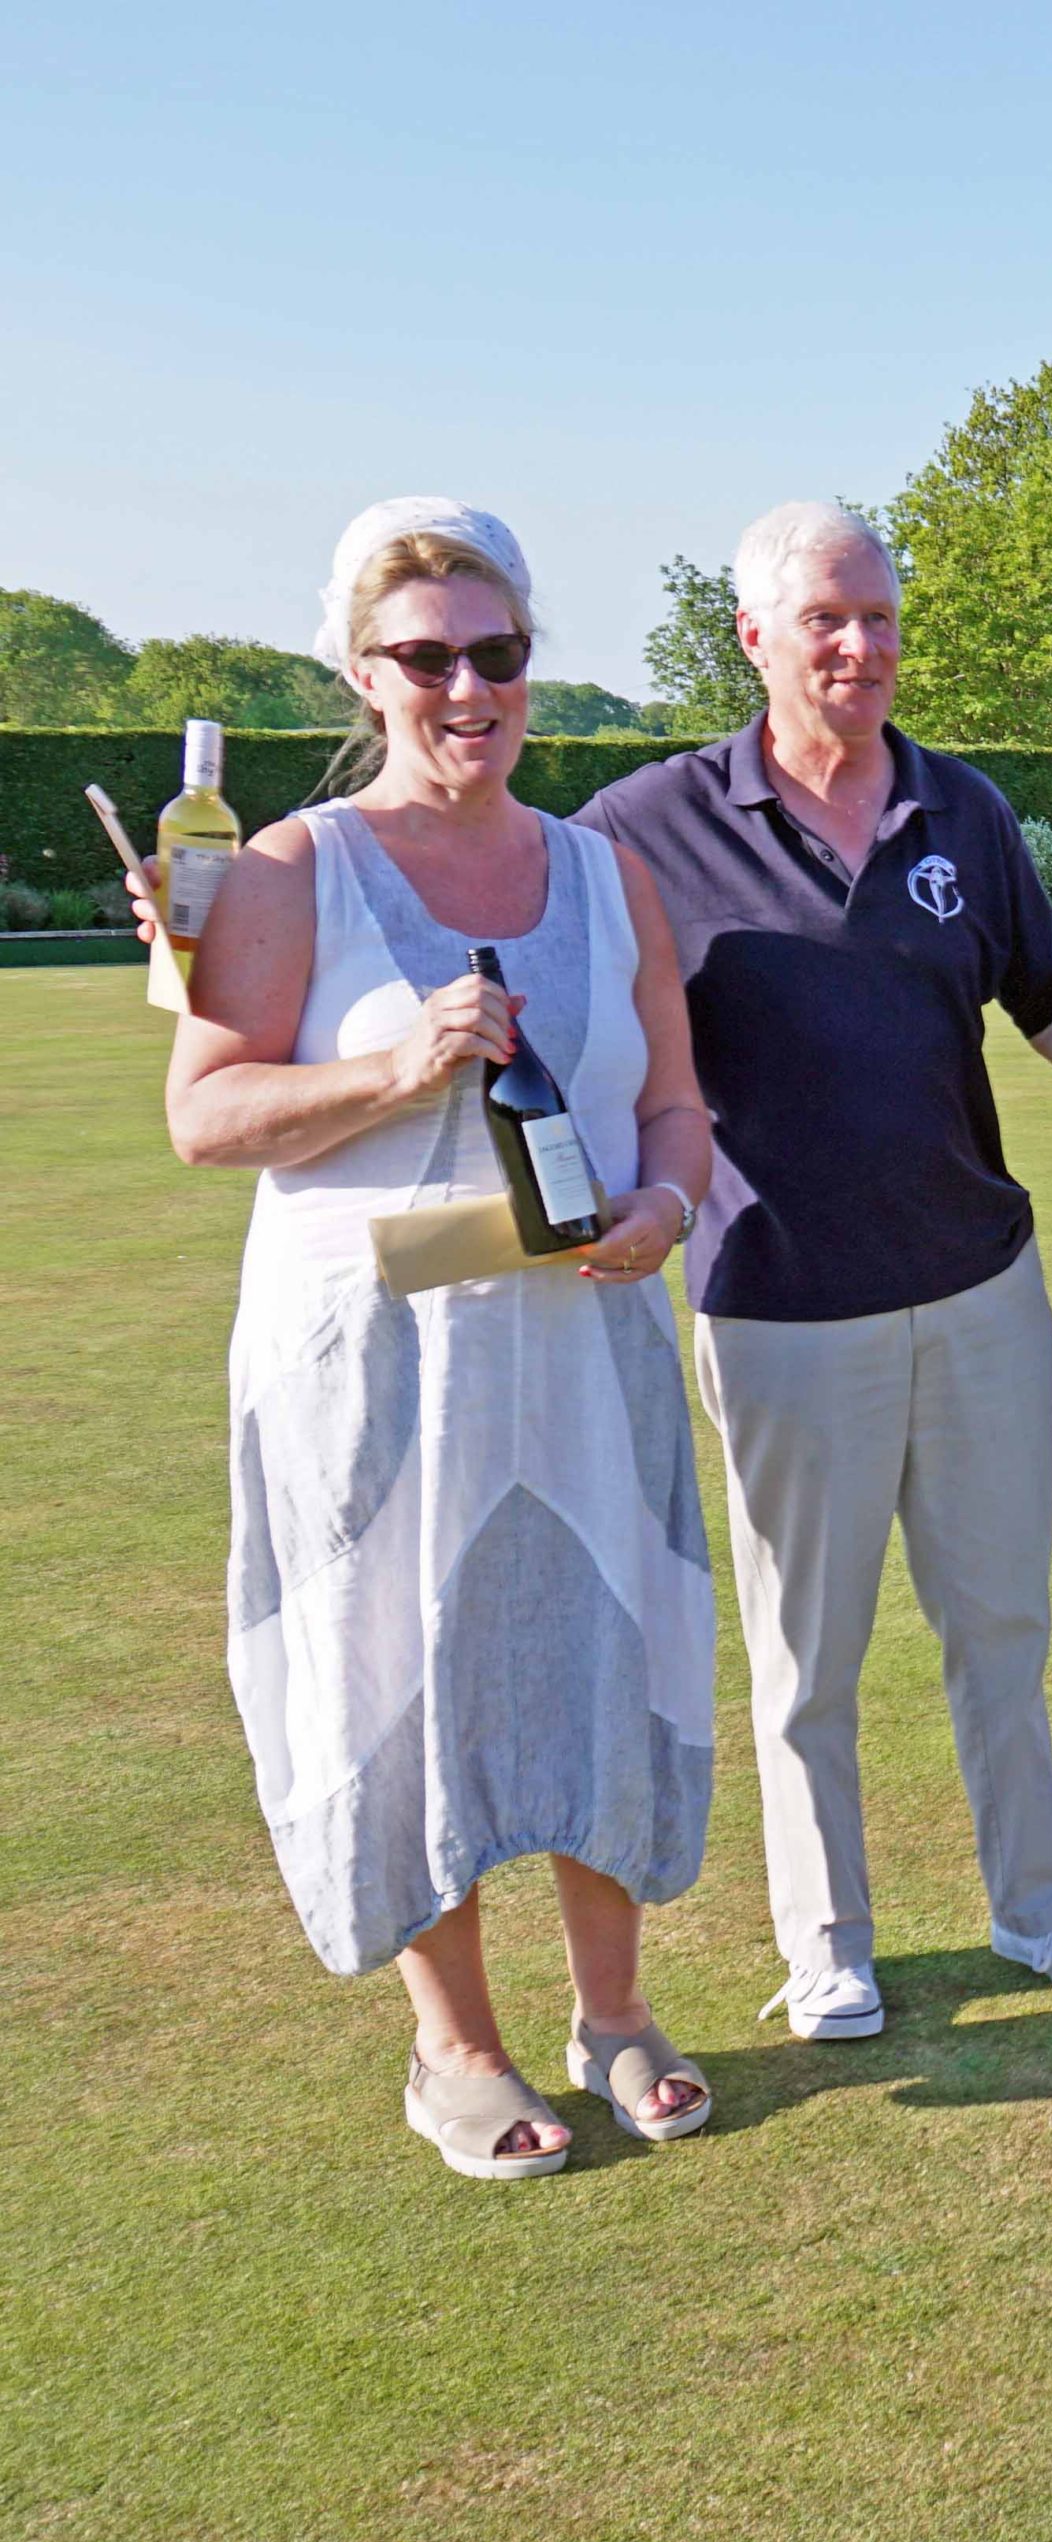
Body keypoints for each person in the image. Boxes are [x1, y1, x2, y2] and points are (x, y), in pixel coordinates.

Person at [155, 497, 717, 2178]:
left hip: (585, 1340)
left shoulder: (612, 874)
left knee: (597, 1661)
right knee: (401, 1680)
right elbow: (205, 1111)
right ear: (363, 670)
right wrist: (397, 1072)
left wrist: (668, 1209)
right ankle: (455, 2050)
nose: (466, 687)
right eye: (426, 657)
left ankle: (612, 2014)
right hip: (381, 1356)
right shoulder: (290, 870)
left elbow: (678, 1105)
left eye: (500, 654)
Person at [573, 503, 1052, 2041]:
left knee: (1001, 1631)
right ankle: (827, 1942)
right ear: (753, 636)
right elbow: (550, 990)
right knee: (805, 1660)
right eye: (827, 620)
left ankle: (1044, 1911)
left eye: (881, 619)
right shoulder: (640, 828)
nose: (861, 646)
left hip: (976, 1287)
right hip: (774, 1301)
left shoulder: (963, 811)